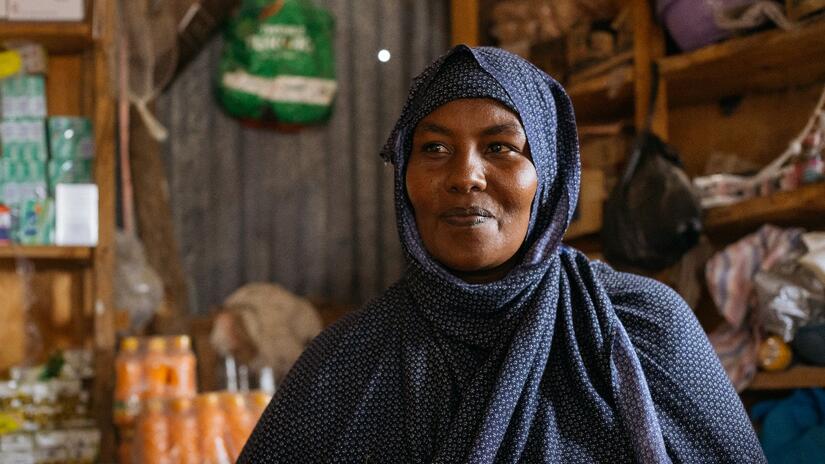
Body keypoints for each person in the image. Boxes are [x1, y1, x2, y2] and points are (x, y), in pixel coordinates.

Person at [238, 45, 765, 463]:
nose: (465, 176)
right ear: (405, 179)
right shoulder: (343, 365)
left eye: (501, 148)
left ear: (550, 176)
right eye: (435, 149)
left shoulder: (643, 328)